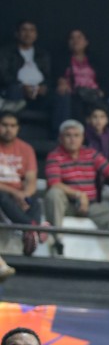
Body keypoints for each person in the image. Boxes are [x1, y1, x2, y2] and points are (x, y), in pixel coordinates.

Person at [44, 119, 109, 257]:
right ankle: (57, 241)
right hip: (67, 205)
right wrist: (79, 195)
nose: (72, 139)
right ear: (61, 138)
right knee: (54, 193)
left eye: (76, 135)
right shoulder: (54, 156)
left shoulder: (91, 153)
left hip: (91, 206)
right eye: (68, 135)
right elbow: (54, 183)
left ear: (82, 138)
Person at [0, 109, 44, 255]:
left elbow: (31, 179)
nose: (9, 129)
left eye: (13, 126)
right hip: (3, 193)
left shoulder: (26, 148)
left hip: (19, 194)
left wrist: (24, 195)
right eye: (4, 125)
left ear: (18, 128)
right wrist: (16, 193)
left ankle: (30, 233)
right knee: (1, 197)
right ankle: (33, 227)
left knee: (34, 199)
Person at [52, 27, 107, 126]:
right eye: (72, 38)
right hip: (73, 95)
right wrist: (61, 82)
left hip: (92, 95)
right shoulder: (62, 59)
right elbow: (57, 77)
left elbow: (103, 80)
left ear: (86, 42)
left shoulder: (94, 60)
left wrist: (101, 91)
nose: (75, 41)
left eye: (79, 37)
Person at [0, 19, 51, 117]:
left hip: (38, 93)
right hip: (17, 90)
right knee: (14, 89)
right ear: (17, 34)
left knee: (61, 95)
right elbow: (3, 75)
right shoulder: (6, 52)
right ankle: (9, 123)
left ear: (36, 35)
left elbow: (48, 76)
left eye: (31, 30)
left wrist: (42, 87)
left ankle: (62, 127)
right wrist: (22, 86)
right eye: (24, 30)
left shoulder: (42, 54)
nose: (28, 34)